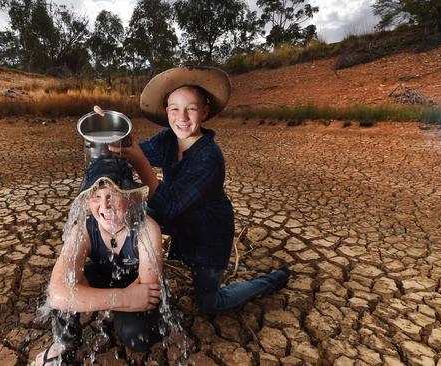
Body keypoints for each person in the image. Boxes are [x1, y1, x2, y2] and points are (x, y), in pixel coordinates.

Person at [96, 66, 290, 314]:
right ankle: (136, 275)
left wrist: (140, 163)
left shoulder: (209, 157)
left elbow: (168, 204)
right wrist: (111, 124)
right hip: (178, 223)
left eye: (191, 108)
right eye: (175, 109)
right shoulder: (167, 139)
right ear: (166, 111)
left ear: (205, 111)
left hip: (207, 235)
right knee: (129, 216)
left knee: (209, 304)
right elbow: (131, 150)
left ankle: (270, 281)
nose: (182, 117)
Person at [33, 156, 163, 366]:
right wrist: (124, 298)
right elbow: (56, 293)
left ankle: (127, 325)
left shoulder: (147, 229)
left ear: (130, 197)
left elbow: (147, 294)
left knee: (135, 335)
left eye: (113, 195)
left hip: (136, 282)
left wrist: (86, 298)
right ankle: (63, 346)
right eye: (96, 196)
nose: (105, 205)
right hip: (114, 283)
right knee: (66, 291)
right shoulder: (83, 229)